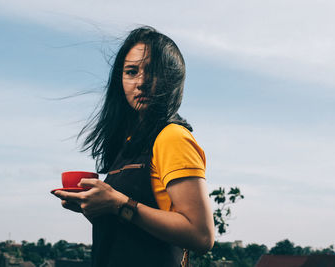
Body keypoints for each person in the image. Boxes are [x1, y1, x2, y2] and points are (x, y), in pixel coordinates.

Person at [53, 26, 215, 267]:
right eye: (131, 71)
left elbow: (201, 235)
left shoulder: (172, 137)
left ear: (172, 78)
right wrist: (96, 207)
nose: (141, 82)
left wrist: (118, 204)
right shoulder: (129, 144)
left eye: (153, 72)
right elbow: (135, 232)